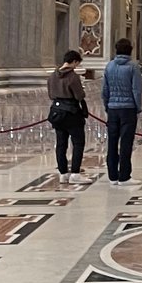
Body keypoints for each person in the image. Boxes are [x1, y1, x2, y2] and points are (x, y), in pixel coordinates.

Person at [101, 38, 142, 186]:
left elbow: (104, 90)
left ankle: (112, 176)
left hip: (112, 109)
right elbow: (136, 90)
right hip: (128, 109)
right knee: (126, 143)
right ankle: (124, 176)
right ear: (130, 50)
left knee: (112, 143)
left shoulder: (109, 66)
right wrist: (138, 107)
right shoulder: (133, 67)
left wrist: (107, 105)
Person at [47, 49, 88, 184]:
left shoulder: (53, 75)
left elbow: (51, 94)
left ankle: (63, 173)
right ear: (74, 61)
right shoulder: (72, 77)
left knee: (61, 144)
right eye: (77, 63)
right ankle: (75, 173)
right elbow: (79, 95)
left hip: (57, 112)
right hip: (71, 113)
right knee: (78, 143)